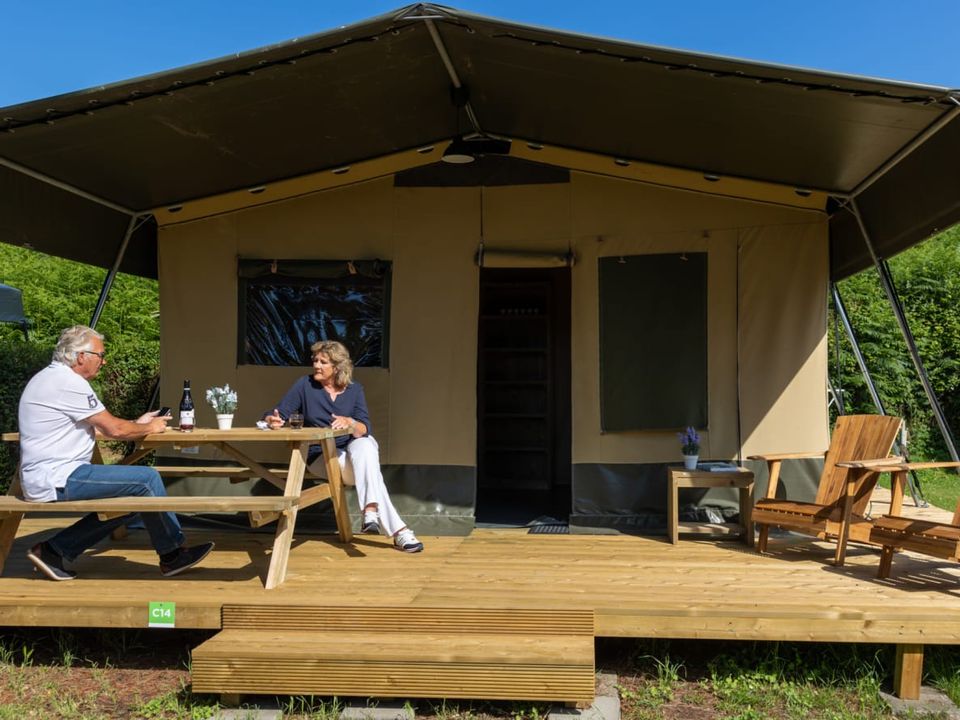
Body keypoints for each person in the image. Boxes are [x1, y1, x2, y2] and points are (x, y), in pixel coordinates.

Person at [17, 325, 214, 581]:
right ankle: (173, 554)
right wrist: (149, 427)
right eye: (100, 355)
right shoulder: (68, 383)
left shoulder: (51, 378)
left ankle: (54, 550)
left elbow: (97, 429)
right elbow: (114, 429)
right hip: (57, 477)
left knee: (134, 500)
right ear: (81, 357)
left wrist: (138, 423)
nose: (104, 360)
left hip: (49, 473)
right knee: (147, 479)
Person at [264, 340, 424, 553]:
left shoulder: (355, 390)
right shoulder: (304, 385)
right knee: (371, 473)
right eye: (315, 360)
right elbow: (277, 413)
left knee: (366, 444)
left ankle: (373, 512)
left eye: (323, 362)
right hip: (321, 457)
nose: (316, 365)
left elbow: (364, 427)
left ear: (337, 367)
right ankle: (393, 527)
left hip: (354, 456)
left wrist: (349, 422)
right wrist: (271, 420)